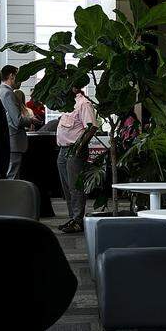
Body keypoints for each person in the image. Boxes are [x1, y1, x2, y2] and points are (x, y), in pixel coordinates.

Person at [55, 85, 96, 233]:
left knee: (75, 187)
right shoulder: (69, 104)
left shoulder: (83, 103)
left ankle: (78, 220)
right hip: (63, 150)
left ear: (75, 87)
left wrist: (79, 147)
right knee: (67, 187)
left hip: (74, 150)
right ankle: (72, 218)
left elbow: (91, 127)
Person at [0, 64, 32, 179]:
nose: (21, 81)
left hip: (8, 140)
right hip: (14, 141)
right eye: (20, 77)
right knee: (12, 176)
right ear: (12, 76)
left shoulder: (0, 91)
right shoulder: (8, 93)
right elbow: (17, 120)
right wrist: (31, 120)